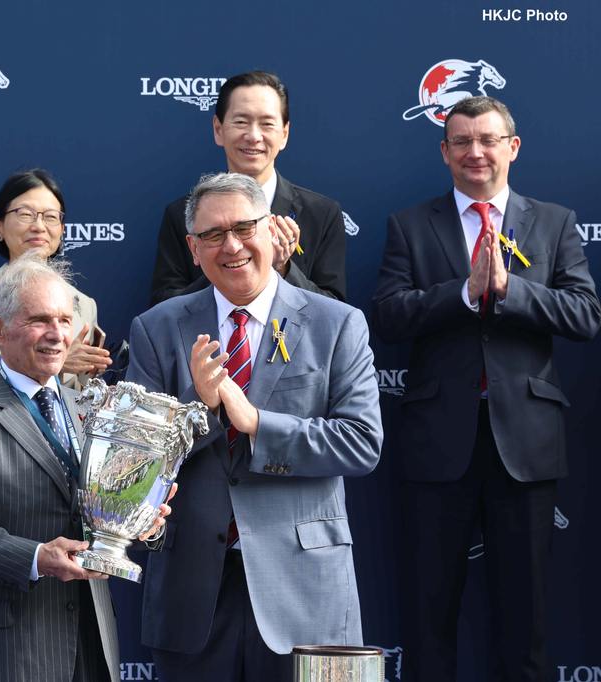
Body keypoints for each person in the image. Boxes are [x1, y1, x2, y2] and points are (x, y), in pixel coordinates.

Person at [372, 96, 601, 682]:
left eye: (489, 139)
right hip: (436, 444)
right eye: (462, 141)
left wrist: (511, 291)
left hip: (526, 444)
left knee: (524, 621)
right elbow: (388, 317)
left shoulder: (554, 222)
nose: (476, 152)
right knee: (428, 617)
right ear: (444, 152)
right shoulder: (409, 225)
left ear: (512, 147)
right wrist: (465, 295)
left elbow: (584, 314)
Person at [126, 172, 382, 681]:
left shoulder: (338, 323)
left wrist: (256, 423)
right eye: (214, 235)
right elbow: (134, 465)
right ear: (193, 250)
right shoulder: (157, 328)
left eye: (245, 227)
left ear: (272, 232)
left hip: (306, 590)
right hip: (191, 590)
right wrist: (200, 407)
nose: (233, 245)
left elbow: (361, 443)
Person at [0, 256, 171, 682]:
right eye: (39, 320)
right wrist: (38, 558)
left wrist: (142, 522)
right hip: (7, 648)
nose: (57, 335)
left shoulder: (93, 413)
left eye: (63, 319)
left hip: (91, 637)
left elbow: (102, 515)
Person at [150, 70, 347, 305]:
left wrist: (282, 269)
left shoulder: (321, 214)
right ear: (218, 129)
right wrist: (227, 266)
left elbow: (335, 311)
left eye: (267, 124)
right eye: (241, 122)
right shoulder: (182, 213)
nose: (254, 136)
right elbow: (164, 306)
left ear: (284, 134)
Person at [0, 169, 110, 386]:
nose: (39, 227)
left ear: (62, 230)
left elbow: (82, 393)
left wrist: (89, 371)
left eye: (51, 217)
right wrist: (58, 363)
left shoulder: (84, 304)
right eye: (25, 214)